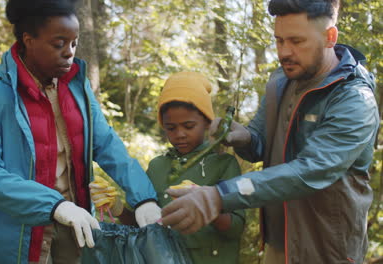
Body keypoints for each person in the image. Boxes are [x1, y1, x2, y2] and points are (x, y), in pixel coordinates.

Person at [161, 1, 379, 263]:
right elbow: (261, 144)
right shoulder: (280, 80)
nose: (284, 52)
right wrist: (243, 136)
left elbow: (310, 171)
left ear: (329, 37)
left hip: (326, 249)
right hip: (277, 243)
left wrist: (219, 196)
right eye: (279, 40)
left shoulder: (354, 100)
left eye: (297, 41)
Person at [0, 0, 161, 263]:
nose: (69, 52)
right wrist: (55, 206)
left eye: (74, 43)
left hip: (74, 226)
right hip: (12, 235)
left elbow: (107, 145)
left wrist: (144, 197)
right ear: (28, 40)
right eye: (59, 44)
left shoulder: (77, 85)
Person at [89, 72, 245, 264]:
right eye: (171, 128)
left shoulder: (224, 164)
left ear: (206, 122)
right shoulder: (157, 166)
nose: (179, 134)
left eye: (188, 126)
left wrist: (207, 204)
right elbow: (142, 226)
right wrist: (119, 208)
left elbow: (235, 227)